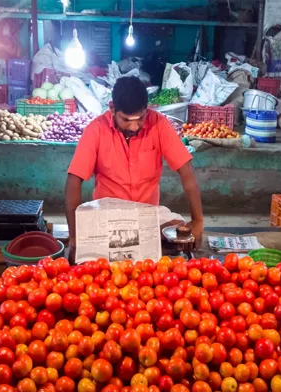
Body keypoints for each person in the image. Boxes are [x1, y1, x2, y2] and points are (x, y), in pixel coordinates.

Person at [65, 76, 204, 262]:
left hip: (148, 216)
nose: (134, 126)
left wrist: (198, 221)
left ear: (148, 110)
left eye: (140, 118)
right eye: (126, 119)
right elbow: (74, 180)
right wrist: (74, 237)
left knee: (179, 229)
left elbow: (186, 171)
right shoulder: (95, 130)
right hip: (106, 219)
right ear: (112, 108)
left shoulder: (159, 124)